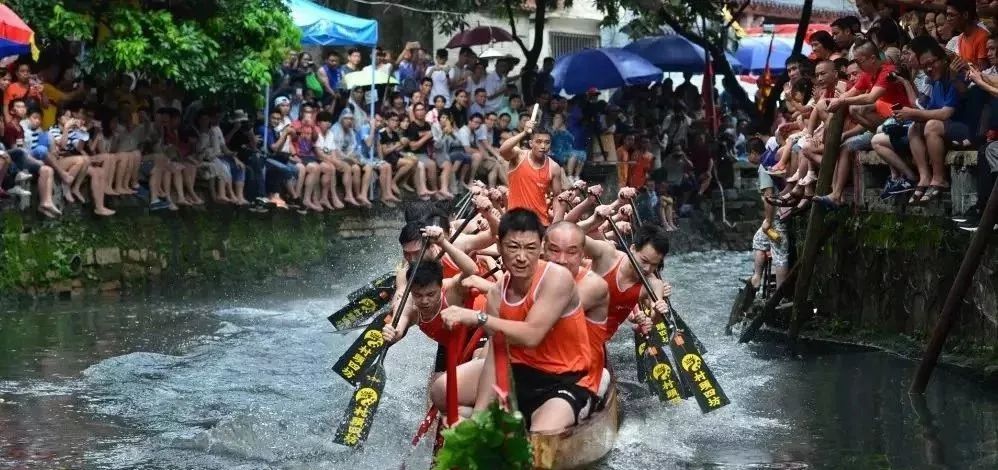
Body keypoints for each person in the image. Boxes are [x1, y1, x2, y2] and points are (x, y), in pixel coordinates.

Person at [441, 209, 594, 432]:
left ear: (541, 247)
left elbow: (531, 336)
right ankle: (484, 418)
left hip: (564, 379)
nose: (521, 257)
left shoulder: (556, 278)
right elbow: (496, 353)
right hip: (519, 375)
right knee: (441, 391)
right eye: (513, 247)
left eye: (530, 248)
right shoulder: (496, 293)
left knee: (542, 435)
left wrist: (479, 318)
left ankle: (549, 418)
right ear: (499, 247)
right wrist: (479, 415)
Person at [543, 221, 612, 400]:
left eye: (571, 252)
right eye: (554, 250)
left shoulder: (593, 285)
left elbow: (545, 317)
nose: (561, 260)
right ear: (543, 250)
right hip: (541, 371)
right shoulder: (538, 274)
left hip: (579, 380)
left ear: (582, 255)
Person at [583, 208, 673, 338]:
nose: (647, 269)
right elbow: (566, 236)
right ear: (632, 248)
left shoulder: (654, 284)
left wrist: (658, 312)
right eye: (644, 260)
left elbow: (656, 318)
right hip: (570, 326)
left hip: (597, 340)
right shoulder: (607, 254)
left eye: (654, 265)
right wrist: (593, 220)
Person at [499, 119, 565, 226]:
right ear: (530, 143)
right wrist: (524, 133)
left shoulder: (554, 167)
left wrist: (556, 223)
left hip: (540, 223)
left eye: (547, 143)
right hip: (514, 221)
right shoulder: (519, 156)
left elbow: (558, 197)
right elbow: (503, 151)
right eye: (538, 142)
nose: (543, 146)